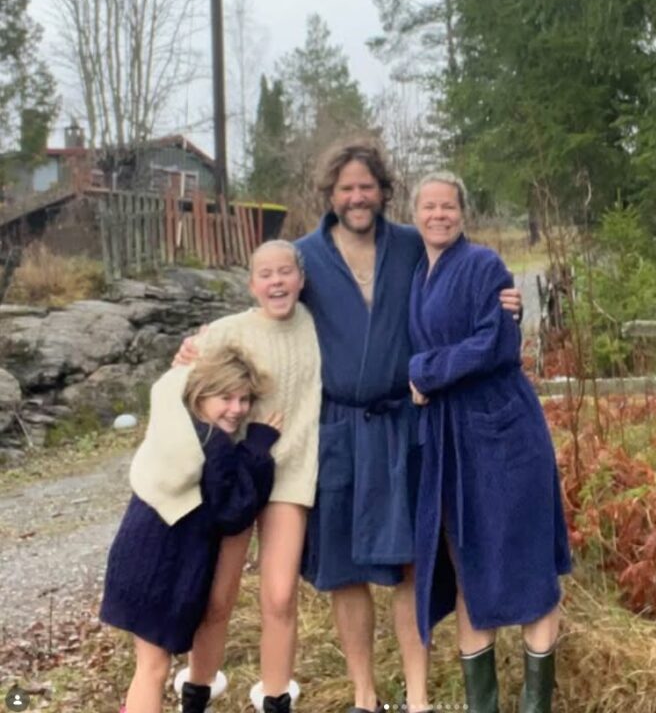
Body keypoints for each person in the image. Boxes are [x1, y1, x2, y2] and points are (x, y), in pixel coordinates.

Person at [178, 141, 520, 713]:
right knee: (344, 571)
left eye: (366, 187)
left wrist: (504, 303)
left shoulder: (411, 245)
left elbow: (461, 284)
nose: (357, 197)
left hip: (404, 424)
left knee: (412, 564)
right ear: (330, 195)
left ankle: (417, 699)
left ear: (383, 191)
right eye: (346, 189)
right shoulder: (307, 257)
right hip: (336, 430)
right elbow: (268, 306)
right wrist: (203, 341)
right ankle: (365, 696)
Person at [407, 171, 571, 713]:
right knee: (468, 567)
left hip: (505, 435)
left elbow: (496, 344)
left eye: (448, 206)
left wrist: (424, 371)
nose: (438, 215)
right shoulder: (418, 274)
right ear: (415, 214)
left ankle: (535, 706)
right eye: (429, 206)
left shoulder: (484, 266)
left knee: (529, 566)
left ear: (463, 213)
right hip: (452, 443)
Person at [175, 240, 321, 713]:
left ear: (301, 279)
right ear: (252, 284)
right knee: (218, 596)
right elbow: (184, 383)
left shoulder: (320, 326)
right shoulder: (227, 331)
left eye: (285, 272)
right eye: (266, 274)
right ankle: (197, 691)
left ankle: (276, 698)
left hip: (290, 473)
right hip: (236, 478)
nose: (277, 282)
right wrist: (186, 354)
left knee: (279, 596)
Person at [100, 345, 282, 713]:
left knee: (146, 666)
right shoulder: (213, 443)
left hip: (133, 564)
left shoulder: (175, 429)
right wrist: (257, 448)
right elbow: (232, 512)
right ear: (200, 396)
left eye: (244, 399)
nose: (237, 409)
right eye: (225, 398)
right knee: (154, 669)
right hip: (162, 575)